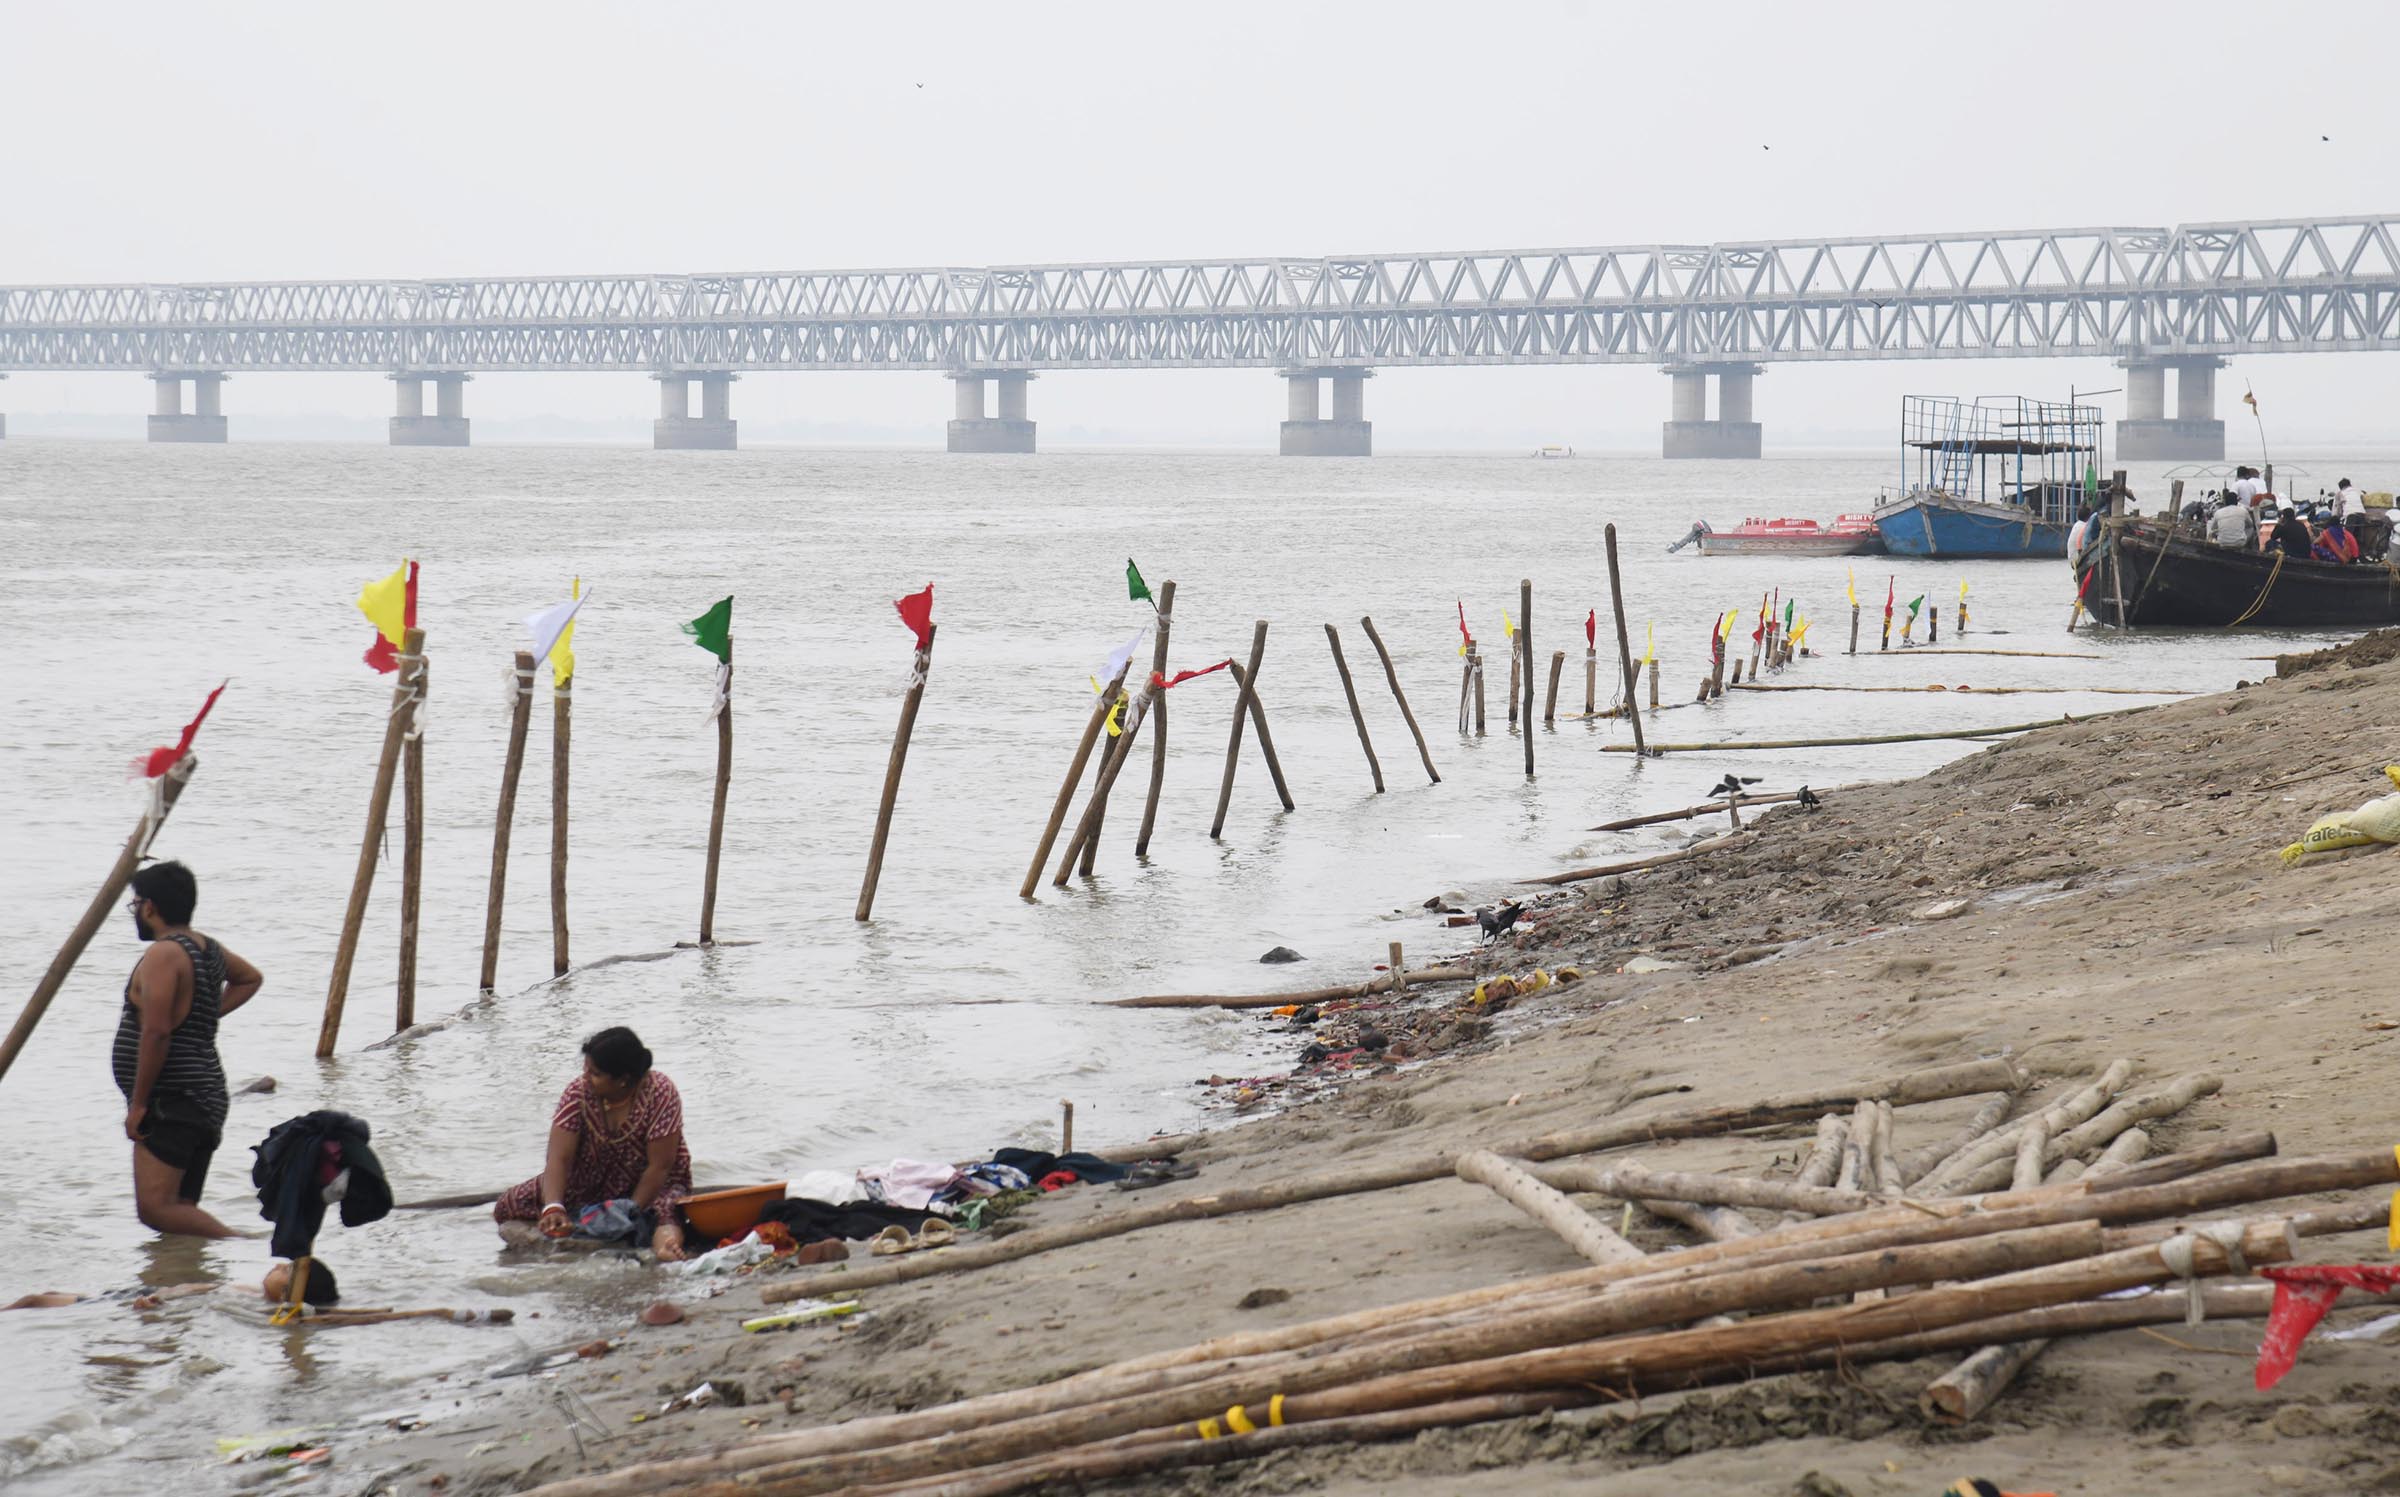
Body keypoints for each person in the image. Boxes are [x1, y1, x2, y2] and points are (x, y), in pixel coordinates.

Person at [114, 861, 263, 1239]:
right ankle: (184, 1288)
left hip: (175, 1099)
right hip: (204, 1095)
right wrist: (207, 1014)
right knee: (180, 1210)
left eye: (135, 906)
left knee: (156, 1209)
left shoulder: (164, 954)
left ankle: (243, 1246)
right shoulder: (207, 948)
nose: (136, 913)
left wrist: (139, 1103)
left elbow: (157, 1033)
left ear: (150, 907)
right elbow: (249, 978)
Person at [494, 1027, 693, 1260]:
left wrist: (629, 1212)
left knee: (665, 1208)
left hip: (649, 1184)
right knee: (509, 1204)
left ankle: (666, 1248)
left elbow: (659, 1166)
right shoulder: (578, 1093)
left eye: (595, 1073)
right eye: (586, 1069)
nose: (586, 1077)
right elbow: (559, 1158)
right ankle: (581, 1222)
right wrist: (553, 1207)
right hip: (589, 1180)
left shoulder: (660, 1092)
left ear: (623, 1081)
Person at [6, 1259, 338, 1312]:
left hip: (145, 1300)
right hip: (143, 1294)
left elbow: (195, 1305)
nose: (278, 1264)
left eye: (286, 1270)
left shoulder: (253, 1305)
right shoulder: (255, 1294)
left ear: (285, 1294)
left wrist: (157, 1305)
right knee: (45, 1295)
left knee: (36, 1299)